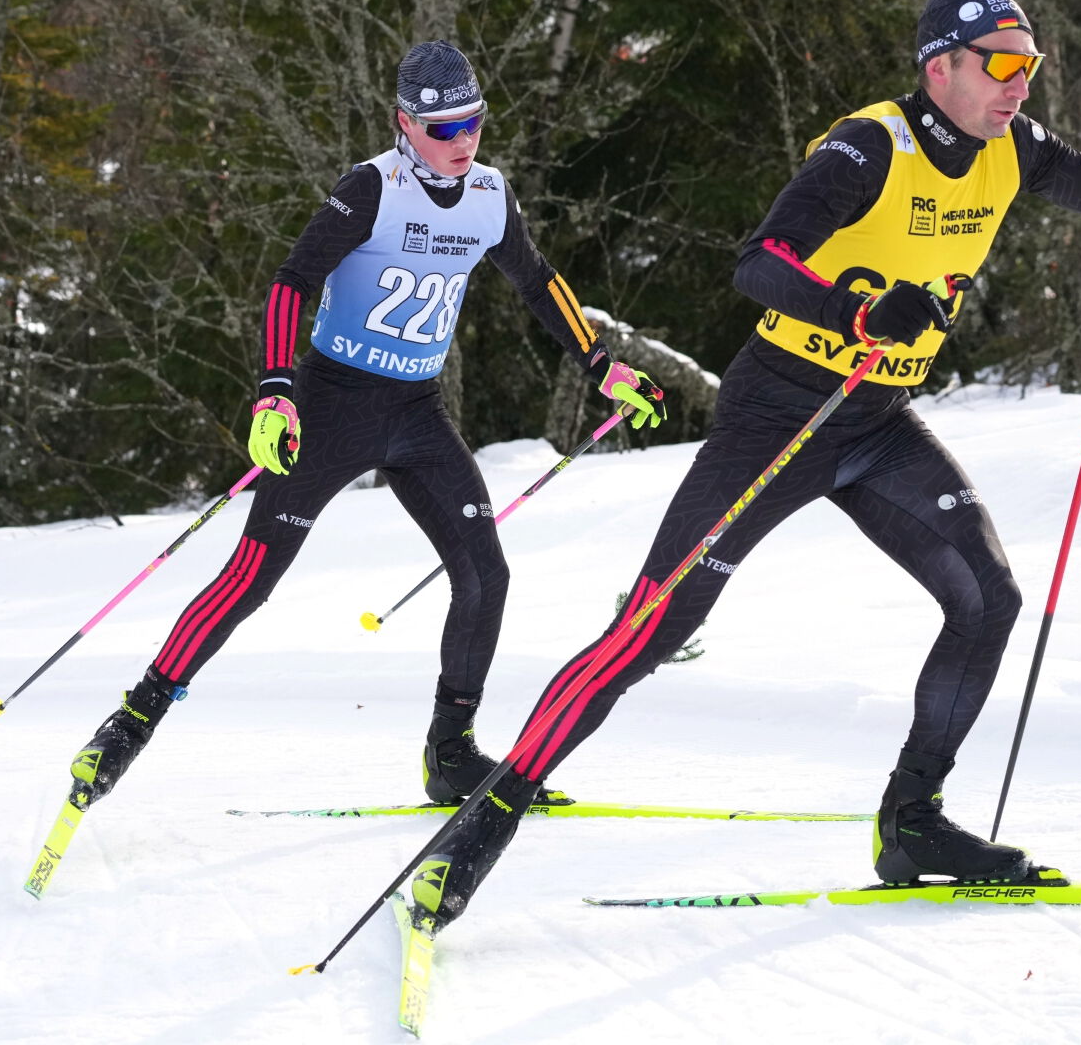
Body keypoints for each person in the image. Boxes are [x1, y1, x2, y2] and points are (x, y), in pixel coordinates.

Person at [412, 0, 1081, 929]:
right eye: (1000, 65)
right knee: (652, 629)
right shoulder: (873, 143)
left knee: (986, 599)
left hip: (876, 422)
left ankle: (913, 824)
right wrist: (860, 309)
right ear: (941, 65)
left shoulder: (1015, 149)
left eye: (1028, 67)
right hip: (780, 412)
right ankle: (480, 824)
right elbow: (758, 260)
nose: (1019, 87)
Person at [63, 40, 668, 818]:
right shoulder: (370, 189)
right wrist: (274, 394)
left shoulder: (489, 195)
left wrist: (602, 367)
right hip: (331, 406)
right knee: (252, 578)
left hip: (417, 413)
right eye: (444, 127)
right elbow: (292, 281)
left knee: (487, 576)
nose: (462, 141)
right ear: (404, 125)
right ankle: (131, 722)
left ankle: (450, 753)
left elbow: (537, 279)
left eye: (473, 123)